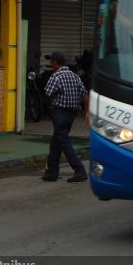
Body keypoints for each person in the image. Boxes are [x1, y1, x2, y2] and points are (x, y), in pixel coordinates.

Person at [42, 51, 89, 182]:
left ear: (56, 63)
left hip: (60, 113)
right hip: (71, 115)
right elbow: (85, 93)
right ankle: (52, 172)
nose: (51, 64)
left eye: (51, 62)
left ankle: (79, 170)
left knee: (64, 142)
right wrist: (87, 112)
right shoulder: (75, 76)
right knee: (56, 142)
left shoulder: (56, 76)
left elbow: (48, 93)